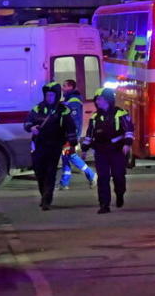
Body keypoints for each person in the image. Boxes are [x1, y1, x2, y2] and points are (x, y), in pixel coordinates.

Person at [23, 82, 78, 210]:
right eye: (47, 95)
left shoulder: (63, 110)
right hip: (39, 145)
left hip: (55, 145)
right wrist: (31, 128)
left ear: (57, 95)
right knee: (39, 171)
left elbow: (70, 127)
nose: (49, 97)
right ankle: (44, 194)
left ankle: (47, 199)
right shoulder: (38, 108)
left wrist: (72, 143)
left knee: (50, 172)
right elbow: (27, 122)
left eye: (52, 95)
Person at [81, 87, 134, 214]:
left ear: (107, 100)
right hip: (101, 151)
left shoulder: (120, 113)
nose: (97, 102)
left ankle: (120, 194)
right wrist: (84, 149)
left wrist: (127, 144)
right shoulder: (95, 117)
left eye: (99, 99)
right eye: (97, 100)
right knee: (103, 178)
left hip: (116, 151)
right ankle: (104, 204)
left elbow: (129, 131)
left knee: (118, 176)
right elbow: (89, 135)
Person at [59, 79, 95, 190]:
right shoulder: (69, 99)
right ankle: (64, 183)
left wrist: (72, 136)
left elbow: (73, 121)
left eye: (64, 86)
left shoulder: (73, 101)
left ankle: (91, 174)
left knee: (71, 155)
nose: (62, 88)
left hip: (70, 136)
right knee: (65, 156)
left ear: (70, 87)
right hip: (66, 135)